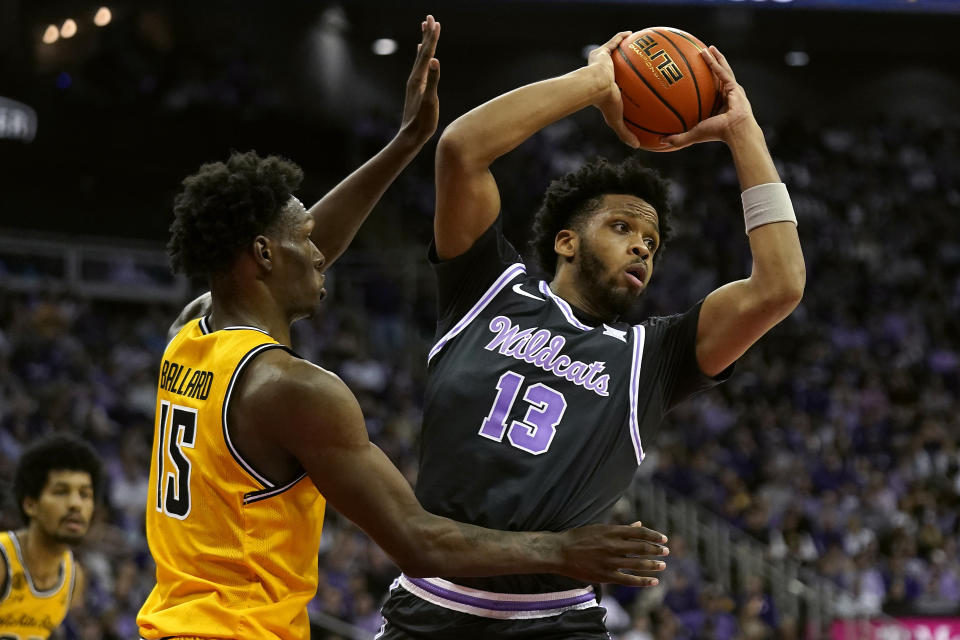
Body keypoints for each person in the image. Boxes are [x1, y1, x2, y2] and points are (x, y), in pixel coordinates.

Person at [137, 18, 669, 640]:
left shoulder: (191, 337)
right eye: (303, 244)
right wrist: (562, 553)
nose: (320, 253)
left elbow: (289, 253)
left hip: (172, 622)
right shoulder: (294, 389)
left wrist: (406, 142)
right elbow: (418, 541)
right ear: (261, 255)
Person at [378, 30, 805, 638]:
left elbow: (780, 285)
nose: (641, 245)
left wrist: (743, 131)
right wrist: (594, 83)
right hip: (430, 603)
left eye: (651, 242)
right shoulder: (487, 288)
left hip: (558, 618)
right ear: (566, 241)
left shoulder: (651, 358)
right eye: (622, 227)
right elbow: (461, 149)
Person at [0, 434, 102, 639]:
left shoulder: (74, 578)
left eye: (85, 494)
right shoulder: (3, 562)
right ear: (30, 504)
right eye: (61, 492)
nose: (76, 504)